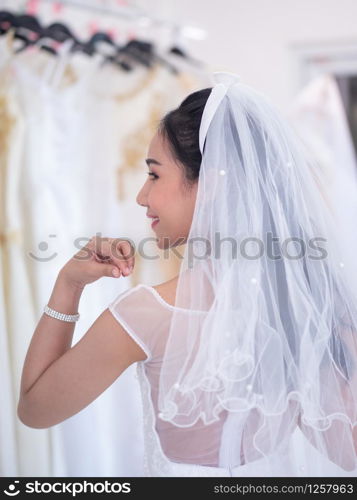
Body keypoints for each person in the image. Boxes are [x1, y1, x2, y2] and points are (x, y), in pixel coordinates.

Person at [17, 72, 357, 477]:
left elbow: (35, 409)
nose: (142, 196)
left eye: (155, 174)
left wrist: (68, 285)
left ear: (211, 183)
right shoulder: (309, 310)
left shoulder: (149, 312)